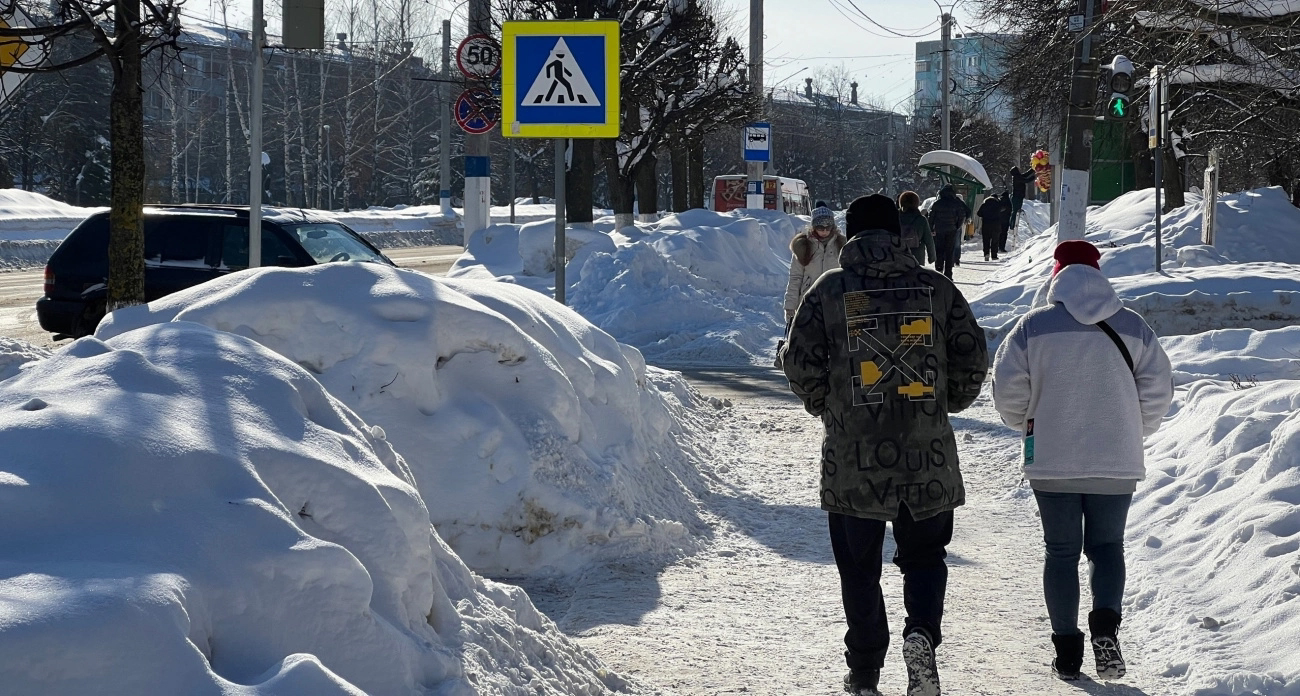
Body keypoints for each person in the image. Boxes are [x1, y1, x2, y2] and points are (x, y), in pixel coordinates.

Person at [780, 194, 988, 696]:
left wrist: (826, 407)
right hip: (928, 456)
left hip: (854, 460)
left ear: (851, 235)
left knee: (858, 567)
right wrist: (944, 405)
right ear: (899, 235)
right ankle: (921, 634)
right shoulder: (937, 289)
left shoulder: (830, 291)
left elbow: (800, 364)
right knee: (925, 558)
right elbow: (971, 358)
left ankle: (866, 667)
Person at [991, 241, 1174, 682]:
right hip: (1117, 458)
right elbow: (1158, 389)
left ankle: (1067, 652)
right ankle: (1106, 629)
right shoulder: (1133, 326)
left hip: (1052, 459)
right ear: (1099, 274)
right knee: (1108, 548)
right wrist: (1133, 427)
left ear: (1056, 275)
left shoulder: (1033, 327)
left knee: (1061, 552)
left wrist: (1029, 423)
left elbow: (1007, 390)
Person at [778, 205, 846, 366]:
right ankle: (809, 366)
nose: (824, 230)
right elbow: (795, 278)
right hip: (808, 299)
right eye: (820, 227)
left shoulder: (841, 245)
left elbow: (846, 274)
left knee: (833, 336)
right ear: (813, 226)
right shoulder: (803, 246)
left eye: (827, 227)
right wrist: (790, 306)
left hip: (833, 299)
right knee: (809, 335)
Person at [927, 185, 968, 279]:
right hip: (951, 230)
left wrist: (931, 228)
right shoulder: (956, 203)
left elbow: (931, 217)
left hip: (939, 230)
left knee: (939, 249)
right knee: (949, 251)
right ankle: (948, 273)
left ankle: (939, 269)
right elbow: (962, 216)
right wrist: (957, 226)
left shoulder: (937, 203)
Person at [897, 191, 936, 265]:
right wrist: (932, 257)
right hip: (917, 255)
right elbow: (929, 240)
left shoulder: (895, 218)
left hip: (899, 254)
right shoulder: (921, 219)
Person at [1008, 166, 1038, 230]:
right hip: (1017, 197)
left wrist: (1032, 170)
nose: (1020, 169)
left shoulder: (1018, 176)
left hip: (1018, 196)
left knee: (1016, 211)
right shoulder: (1017, 178)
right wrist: (1034, 177)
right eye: (1018, 169)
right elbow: (1026, 180)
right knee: (1015, 211)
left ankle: (1012, 225)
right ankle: (1012, 225)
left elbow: (1025, 175)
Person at [976, 194, 1004, 261]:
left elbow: (978, 213)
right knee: (995, 240)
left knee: (986, 240)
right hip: (996, 225)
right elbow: (1003, 211)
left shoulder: (984, 204)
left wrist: (985, 215)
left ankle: (986, 254)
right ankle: (994, 255)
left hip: (986, 224)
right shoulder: (998, 204)